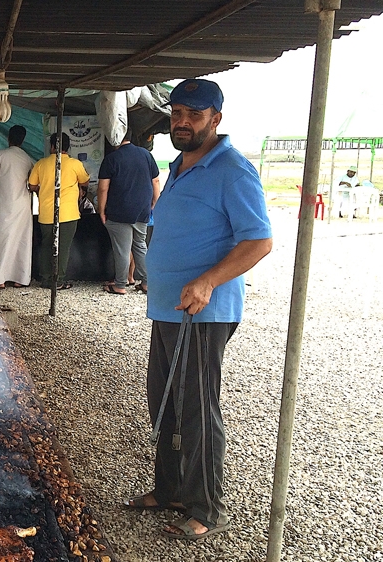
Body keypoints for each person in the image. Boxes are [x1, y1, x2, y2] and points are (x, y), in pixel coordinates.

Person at [123, 79, 272, 540]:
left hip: (202, 312)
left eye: (195, 114)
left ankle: (206, 509)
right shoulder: (180, 165)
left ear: (216, 119)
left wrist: (208, 280)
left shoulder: (232, 169)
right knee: (162, 404)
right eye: (177, 113)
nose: (183, 121)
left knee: (197, 410)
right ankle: (168, 489)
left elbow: (259, 241)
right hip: (167, 308)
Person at [97, 130, 160, 295]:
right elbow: (156, 181)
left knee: (122, 249)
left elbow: (103, 187)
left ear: (115, 138)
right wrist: (154, 202)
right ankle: (147, 283)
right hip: (142, 209)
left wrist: (101, 209)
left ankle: (120, 285)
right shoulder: (146, 155)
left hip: (119, 211)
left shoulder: (112, 159)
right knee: (140, 246)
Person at [28, 133, 89, 290]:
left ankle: (46, 279)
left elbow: (32, 185)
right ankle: (59, 280)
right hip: (69, 214)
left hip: (47, 213)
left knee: (46, 246)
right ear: (68, 147)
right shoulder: (75, 164)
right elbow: (85, 181)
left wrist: (42, 191)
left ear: (53, 146)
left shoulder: (41, 164)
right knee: (63, 247)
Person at [0, 125, 35, 289]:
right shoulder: (28, 159)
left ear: (8, 138)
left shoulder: (0, 155)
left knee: (0, 240)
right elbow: (32, 182)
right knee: (21, 241)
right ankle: (20, 279)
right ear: (23, 140)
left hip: (5, 203)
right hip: (23, 205)